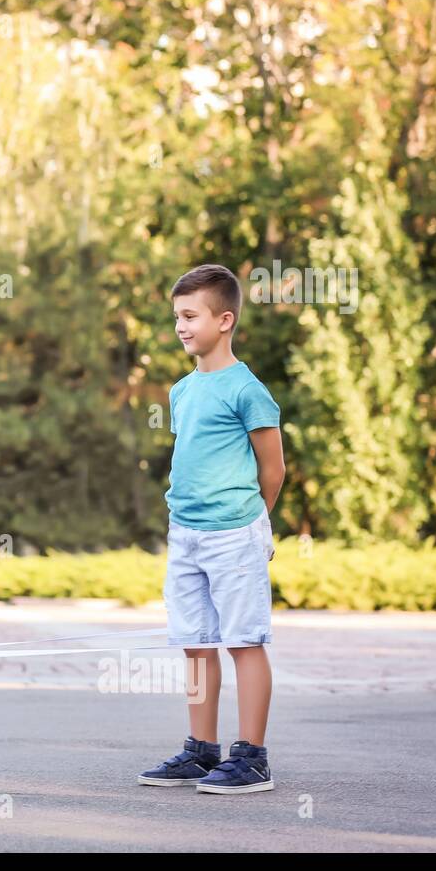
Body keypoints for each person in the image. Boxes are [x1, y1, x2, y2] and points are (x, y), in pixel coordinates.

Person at [137, 265, 285, 795]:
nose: (180, 326)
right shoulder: (182, 391)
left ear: (224, 320)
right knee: (195, 644)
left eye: (190, 315)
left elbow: (274, 469)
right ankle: (202, 751)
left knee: (243, 640)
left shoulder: (248, 390)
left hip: (234, 535)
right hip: (187, 534)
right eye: (177, 316)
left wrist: (256, 523)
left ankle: (253, 758)